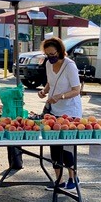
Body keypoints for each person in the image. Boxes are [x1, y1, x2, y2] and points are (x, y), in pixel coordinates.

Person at [37, 37, 82, 190]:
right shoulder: (49, 65)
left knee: (67, 146)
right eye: (47, 54)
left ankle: (72, 178)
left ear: (60, 51)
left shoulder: (70, 66)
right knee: (55, 145)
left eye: (53, 54)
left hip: (70, 111)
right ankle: (59, 180)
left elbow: (77, 90)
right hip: (54, 110)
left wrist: (60, 96)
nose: (50, 57)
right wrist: (44, 91)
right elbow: (51, 82)